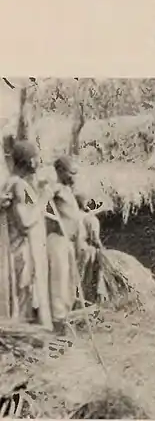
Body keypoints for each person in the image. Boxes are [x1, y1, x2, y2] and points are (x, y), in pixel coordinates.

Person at [0, 140, 53, 328]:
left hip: (21, 251)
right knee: (22, 297)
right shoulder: (18, 186)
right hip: (21, 251)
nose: (39, 162)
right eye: (37, 158)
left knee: (23, 297)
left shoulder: (16, 184)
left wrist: (38, 195)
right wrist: (44, 200)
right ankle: (22, 338)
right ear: (30, 161)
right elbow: (24, 223)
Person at [45, 156, 84, 334]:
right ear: (60, 171)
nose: (74, 177)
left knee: (70, 281)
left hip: (68, 241)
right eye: (71, 172)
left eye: (76, 173)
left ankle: (65, 316)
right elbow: (39, 200)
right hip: (57, 240)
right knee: (59, 281)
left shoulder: (68, 190)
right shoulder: (55, 188)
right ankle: (58, 321)